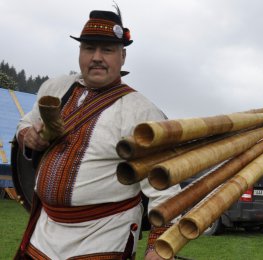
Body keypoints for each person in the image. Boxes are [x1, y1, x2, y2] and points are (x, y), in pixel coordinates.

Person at [14, 7, 180, 260]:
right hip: (45, 230)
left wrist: (158, 247)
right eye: (89, 48)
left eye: (108, 50)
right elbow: (25, 124)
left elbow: (165, 188)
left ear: (122, 56)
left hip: (104, 235)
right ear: (80, 52)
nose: (97, 57)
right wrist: (28, 136)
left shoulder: (142, 113)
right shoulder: (56, 87)